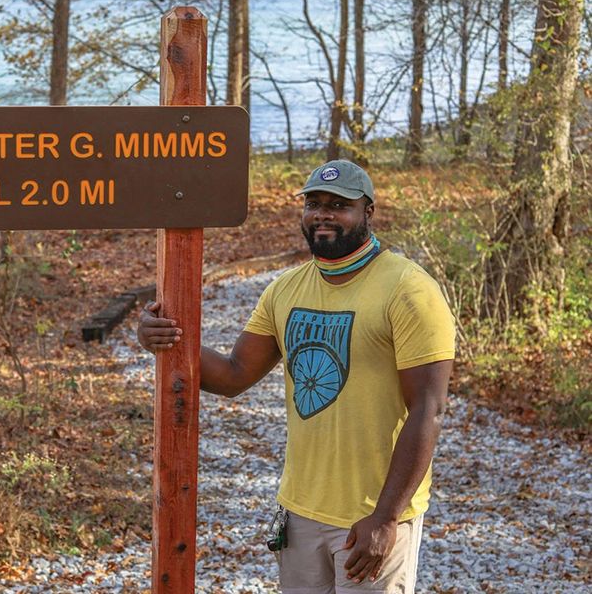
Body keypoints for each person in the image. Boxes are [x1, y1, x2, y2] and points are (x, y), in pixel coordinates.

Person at [137, 159, 455, 594]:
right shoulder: (285, 290)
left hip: (371, 517)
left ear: (368, 213)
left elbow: (429, 409)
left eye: (339, 204)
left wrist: (386, 518)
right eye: (314, 203)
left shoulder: (409, 288)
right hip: (301, 512)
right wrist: (165, 339)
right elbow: (233, 375)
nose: (322, 213)